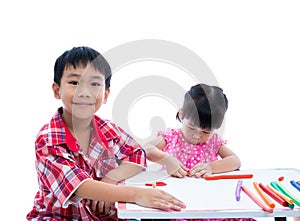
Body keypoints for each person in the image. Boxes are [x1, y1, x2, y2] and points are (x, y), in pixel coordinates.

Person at [26, 46, 186, 220]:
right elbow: (78, 186)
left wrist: (111, 178)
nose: (84, 92)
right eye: (74, 82)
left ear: (106, 94)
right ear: (57, 90)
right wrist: (135, 194)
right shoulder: (49, 138)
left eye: (94, 84)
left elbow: (137, 154)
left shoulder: (107, 129)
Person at [144, 84, 255, 221]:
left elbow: (235, 161)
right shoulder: (171, 137)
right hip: (177, 200)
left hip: (206, 201)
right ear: (181, 115)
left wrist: (211, 167)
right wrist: (167, 159)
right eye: (191, 128)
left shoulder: (213, 142)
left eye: (206, 132)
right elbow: (145, 148)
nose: (197, 136)